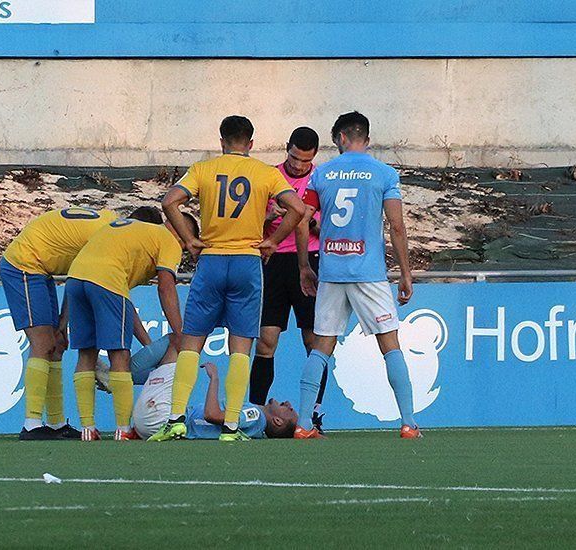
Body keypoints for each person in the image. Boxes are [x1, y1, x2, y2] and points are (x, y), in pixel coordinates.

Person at [152, 115, 307, 442]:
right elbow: (297, 208)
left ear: (221, 141)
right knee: (240, 347)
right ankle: (232, 426)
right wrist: (274, 241)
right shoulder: (266, 173)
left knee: (192, 340)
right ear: (250, 144)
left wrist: (190, 240)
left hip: (211, 260)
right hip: (247, 263)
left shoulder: (203, 169)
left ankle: (176, 419)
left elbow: (169, 201)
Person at [294, 111, 420, 439]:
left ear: (340, 138)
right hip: (369, 273)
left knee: (322, 346)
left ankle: (304, 423)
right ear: (366, 137)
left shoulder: (321, 174)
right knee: (389, 344)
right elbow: (396, 226)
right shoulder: (384, 174)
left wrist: (305, 266)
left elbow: (302, 220)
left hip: (332, 271)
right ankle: (408, 423)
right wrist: (405, 273)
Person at [66, 206, 198, 441]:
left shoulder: (137, 233)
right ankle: (123, 429)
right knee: (120, 356)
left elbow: (123, 302)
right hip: (107, 280)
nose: (184, 251)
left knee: (87, 354)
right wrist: (180, 332)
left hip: (75, 277)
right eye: (187, 246)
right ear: (181, 233)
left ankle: (87, 429)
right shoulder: (168, 239)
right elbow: (166, 287)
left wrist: (148, 344)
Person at [0, 206, 119, 440]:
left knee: (57, 346)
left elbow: (77, 278)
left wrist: (63, 324)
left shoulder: (111, 223)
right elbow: (80, 280)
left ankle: (55, 423)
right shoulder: (105, 240)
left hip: (42, 269)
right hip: (23, 264)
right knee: (43, 343)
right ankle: (31, 423)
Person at [250, 126, 329, 431]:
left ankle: (313, 416)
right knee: (266, 340)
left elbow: (330, 224)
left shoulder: (320, 180)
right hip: (273, 262)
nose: (298, 166)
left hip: (309, 261)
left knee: (314, 342)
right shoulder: (269, 177)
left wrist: (310, 221)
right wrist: (266, 217)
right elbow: (249, 220)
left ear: (314, 157)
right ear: (287, 149)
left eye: (305, 161)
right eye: (294, 159)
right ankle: (255, 414)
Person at [123, 336, 298, 440]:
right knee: (169, 359)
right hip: (153, 423)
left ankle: (117, 378)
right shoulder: (256, 423)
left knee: (177, 341)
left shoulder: (255, 416)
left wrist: (214, 378)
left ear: (277, 421)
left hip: (161, 419)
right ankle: (119, 378)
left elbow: (212, 415)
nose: (289, 404)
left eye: (290, 410)